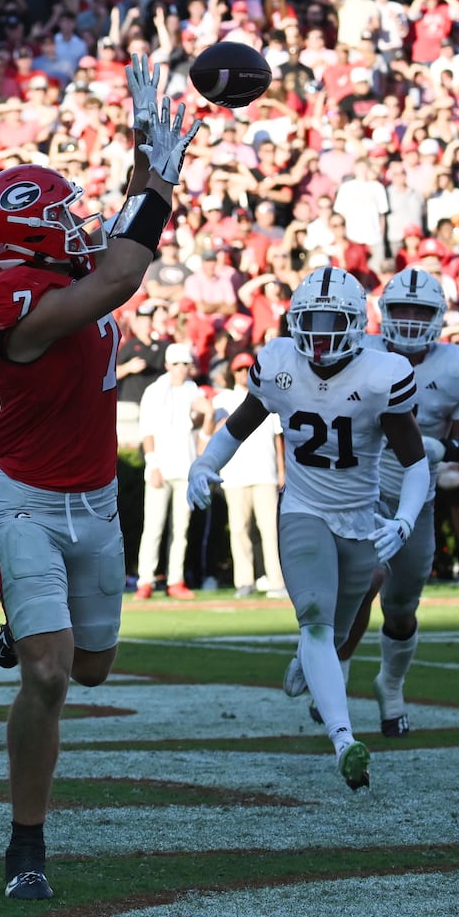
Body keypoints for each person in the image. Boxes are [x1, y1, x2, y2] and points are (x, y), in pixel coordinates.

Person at [0, 56, 199, 900]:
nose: (79, 221)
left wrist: (148, 150)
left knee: (93, 669)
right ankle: (26, 844)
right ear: (25, 239)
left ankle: (31, 632)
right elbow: (123, 269)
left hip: (97, 500)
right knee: (51, 677)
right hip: (27, 497)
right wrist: (159, 190)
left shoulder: (58, 269)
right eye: (61, 215)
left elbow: (119, 236)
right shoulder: (6, 300)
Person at [189, 266, 428, 791]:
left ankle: (309, 662)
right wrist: (206, 464)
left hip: (360, 516)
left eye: (331, 322)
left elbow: (414, 463)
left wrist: (405, 520)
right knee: (317, 623)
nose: (319, 334)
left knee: (337, 631)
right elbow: (241, 424)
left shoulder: (379, 373)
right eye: (310, 321)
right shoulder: (278, 364)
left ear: (353, 322)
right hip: (302, 507)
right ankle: (345, 740)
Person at [333, 268, 459, 736]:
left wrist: (446, 450)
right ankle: (334, 672)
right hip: (363, 486)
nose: (411, 319)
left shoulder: (457, 364)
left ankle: (391, 687)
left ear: (439, 317)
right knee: (366, 577)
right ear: (384, 312)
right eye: (402, 308)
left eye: (421, 311)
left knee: (401, 608)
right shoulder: (359, 351)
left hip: (416, 496)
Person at [134, 341, 212, 600]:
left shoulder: (194, 391)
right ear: (168, 365)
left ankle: (175, 579)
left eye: (186, 364)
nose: (182, 369)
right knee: (153, 527)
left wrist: (206, 413)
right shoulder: (155, 391)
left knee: (181, 529)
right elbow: (147, 431)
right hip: (161, 467)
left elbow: (200, 428)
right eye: (177, 364)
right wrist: (153, 464)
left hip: (185, 467)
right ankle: (145, 580)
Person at [214, 352, 285, 598]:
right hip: (235, 474)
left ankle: (277, 581)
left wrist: (281, 471)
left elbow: (278, 440)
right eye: (239, 369)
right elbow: (214, 429)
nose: (244, 373)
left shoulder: (267, 397)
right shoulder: (223, 399)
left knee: (270, 530)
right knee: (239, 530)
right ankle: (244, 581)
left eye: (247, 368)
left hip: (265, 472)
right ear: (232, 374)